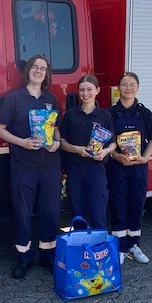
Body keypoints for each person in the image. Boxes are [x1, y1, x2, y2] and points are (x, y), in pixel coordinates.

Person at [0, 54, 61, 279]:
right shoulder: (14, 98)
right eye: (35, 66)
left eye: (43, 68)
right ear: (28, 71)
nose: (39, 70)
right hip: (23, 166)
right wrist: (22, 142)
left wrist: (57, 142)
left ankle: (47, 255)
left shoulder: (52, 98)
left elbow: (56, 128)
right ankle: (23, 257)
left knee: (50, 210)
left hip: (49, 165)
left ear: (47, 74)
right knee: (23, 212)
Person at [107, 72, 152, 265]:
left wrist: (145, 158)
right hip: (117, 166)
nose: (128, 88)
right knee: (118, 205)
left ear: (137, 87)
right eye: (124, 84)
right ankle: (120, 247)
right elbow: (106, 140)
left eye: (132, 84)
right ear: (118, 88)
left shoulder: (145, 113)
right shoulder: (110, 113)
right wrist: (114, 155)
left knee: (136, 204)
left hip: (139, 167)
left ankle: (134, 245)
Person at [60, 75, 116, 230]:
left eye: (89, 89)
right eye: (82, 90)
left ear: (97, 91)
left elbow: (113, 143)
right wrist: (77, 149)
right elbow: (62, 143)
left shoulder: (105, 116)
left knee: (98, 213)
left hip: (96, 170)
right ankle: (81, 250)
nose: (85, 93)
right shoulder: (70, 115)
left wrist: (105, 152)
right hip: (74, 170)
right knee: (77, 214)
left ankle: (99, 250)